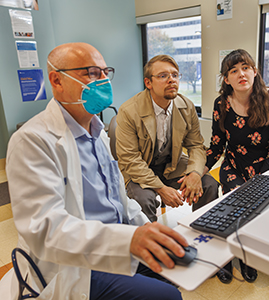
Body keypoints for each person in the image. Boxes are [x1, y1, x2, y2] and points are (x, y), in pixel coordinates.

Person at [5, 43, 188, 300]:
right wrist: (127, 240)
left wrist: (148, 231)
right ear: (57, 80)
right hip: (76, 263)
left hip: (115, 241)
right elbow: (45, 230)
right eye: (91, 73)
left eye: (105, 72)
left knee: (178, 265)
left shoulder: (97, 132)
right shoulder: (32, 141)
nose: (103, 81)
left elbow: (119, 200)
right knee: (166, 297)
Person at [204, 49, 269, 284]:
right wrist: (199, 169)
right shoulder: (221, 104)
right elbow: (217, 144)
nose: (241, 74)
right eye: (234, 70)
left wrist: (258, 179)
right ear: (226, 78)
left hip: (268, 164)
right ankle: (233, 256)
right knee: (235, 208)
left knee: (265, 207)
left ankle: (251, 255)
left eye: (246, 68)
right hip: (236, 164)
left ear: (255, 72)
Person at [115, 54, 219, 222]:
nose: (171, 80)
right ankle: (150, 244)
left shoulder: (187, 106)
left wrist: (194, 173)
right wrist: (161, 189)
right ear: (148, 83)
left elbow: (196, 145)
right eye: (163, 76)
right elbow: (130, 159)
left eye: (175, 75)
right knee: (143, 199)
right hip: (139, 168)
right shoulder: (129, 111)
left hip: (171, 165)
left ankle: (203, 230)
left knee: (209, 185)